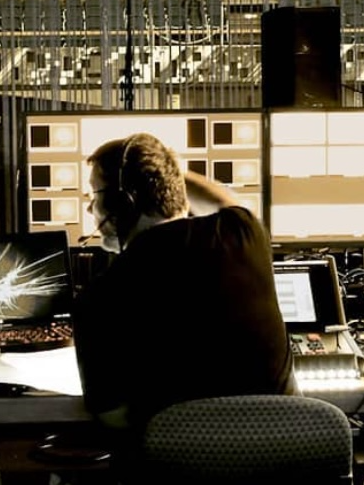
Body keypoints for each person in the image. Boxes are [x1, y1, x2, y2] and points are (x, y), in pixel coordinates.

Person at [72, 132, 294, 434]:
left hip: (181, 475)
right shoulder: (245, 234)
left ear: (124, 202)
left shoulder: (98, 297)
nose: (89, 210)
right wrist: (168, 172)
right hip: (283, 462)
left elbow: (114, 417)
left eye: (94, 195)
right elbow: (224, 201)